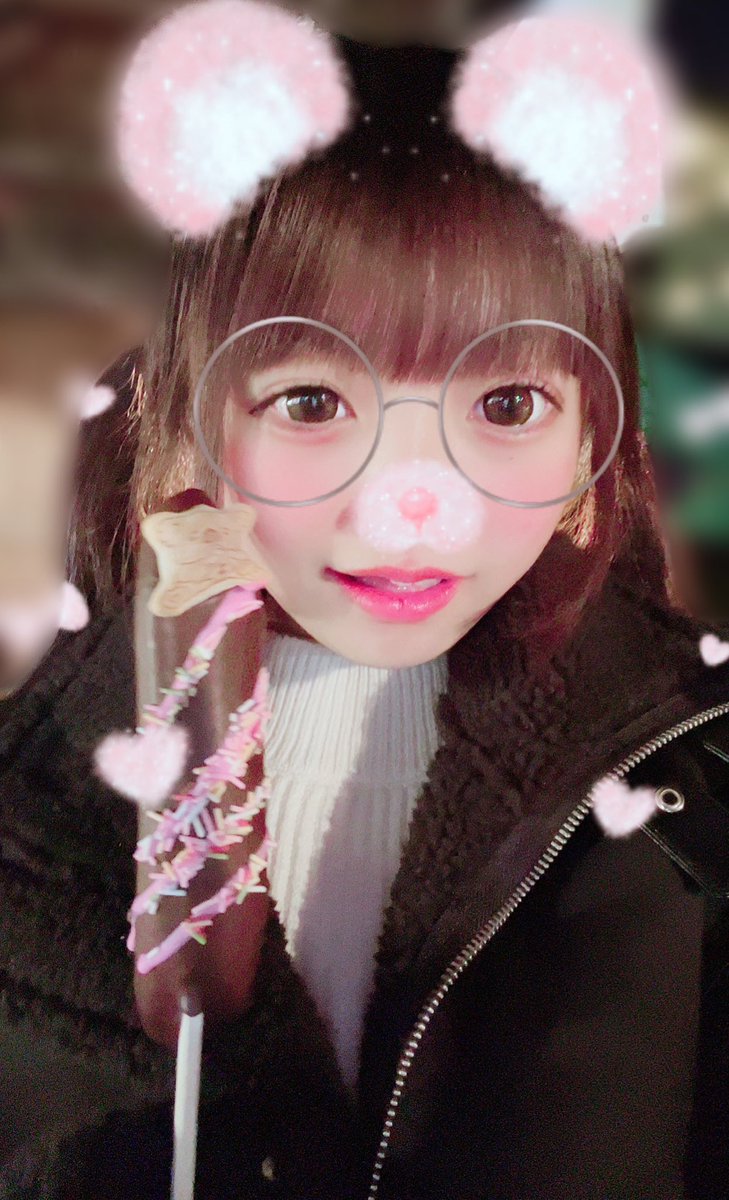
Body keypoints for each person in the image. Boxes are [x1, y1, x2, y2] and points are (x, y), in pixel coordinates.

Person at [1, 8, 728, 1199]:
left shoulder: (693, 803)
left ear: (595, 435)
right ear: (184, 412)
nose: (407, 512)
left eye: (506, 406)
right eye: (309, 402)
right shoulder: (31, 800)